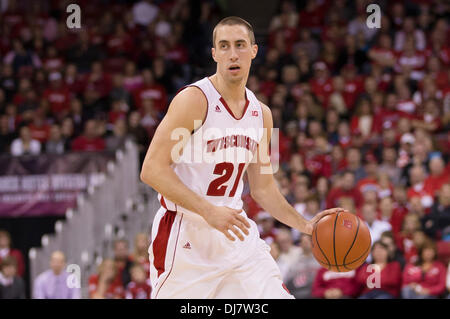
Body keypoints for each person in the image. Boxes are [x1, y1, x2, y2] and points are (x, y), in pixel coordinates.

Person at [140, 16, 341, 299]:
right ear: (214, 54)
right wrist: (208, 210)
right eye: (223, 46)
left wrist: (304, 224)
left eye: (239, 45)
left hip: (237, 236)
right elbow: (151, 170)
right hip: (185, 239)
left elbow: (263, 188)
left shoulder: (264, 115)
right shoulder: (194, 100)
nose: (232, 54)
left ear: (254, 50)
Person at [284, 235, 321, 299]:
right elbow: (287, 280)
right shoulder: (295, 261)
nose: (305, 244)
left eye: (306, 242)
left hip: (313, 292)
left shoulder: (320, 261)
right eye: (303, 242)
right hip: (297, 293)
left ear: (312, 243)